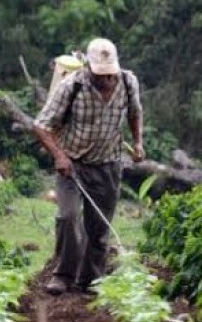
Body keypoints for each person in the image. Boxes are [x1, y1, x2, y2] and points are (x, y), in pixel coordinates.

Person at [33, 38, 144, 295]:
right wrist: (59, 157)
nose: (106, 80)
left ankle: (90, 280)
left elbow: (135, 113)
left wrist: (138, 142)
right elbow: (41, 125)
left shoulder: (128, 82)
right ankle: (63, 275)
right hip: (72, 164)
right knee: (68, 217)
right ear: (88, 68)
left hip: (108, 163)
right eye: (100, 75)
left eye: (110, 75)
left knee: (99, 226)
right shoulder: (72, 86)